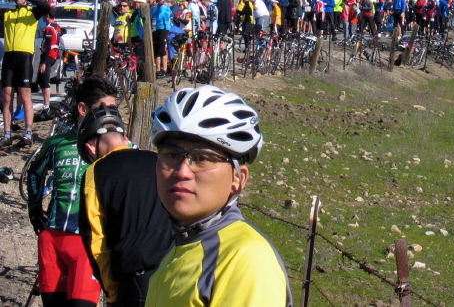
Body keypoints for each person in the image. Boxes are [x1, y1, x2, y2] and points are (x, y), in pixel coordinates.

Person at [145, 85, 292, 307]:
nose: (182, 171)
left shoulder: (245, 259)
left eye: (202, 158)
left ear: (238, 179)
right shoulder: (183, 244)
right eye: (171, 155)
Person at [26, 77, 118, 307]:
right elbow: (35, 172)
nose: (111, 115)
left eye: (113, 110)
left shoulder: (118, 147)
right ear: (83, 109)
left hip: (89, 243)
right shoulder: (57, 143)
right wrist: (34, 207)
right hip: (53, 237)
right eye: (104, 109)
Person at [77, 103, 172, 307]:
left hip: (136, 277)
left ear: (91, 147)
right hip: (176, 267)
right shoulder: (158, 161)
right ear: (126, 140)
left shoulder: (95, 172)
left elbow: (96, 241)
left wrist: (111, 294)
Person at [1, 0, 50, 147]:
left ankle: (28, 132)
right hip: (9, 56)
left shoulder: (32, 12)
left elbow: (46, 7)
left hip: (24, 57)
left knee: (25, 96)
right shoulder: (8, 13)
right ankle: (7, 132)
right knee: (7, 97)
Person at [36, 10, 63, 119]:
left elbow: (47, 46)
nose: (42, 18)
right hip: (54, 55)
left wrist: (43, 62)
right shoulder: (57, 26)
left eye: (43, 15)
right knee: (42, 78)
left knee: (44, 79)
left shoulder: (49, 28)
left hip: (48, 55)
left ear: (47, 16)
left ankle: (46, 105)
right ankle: (46, 104)